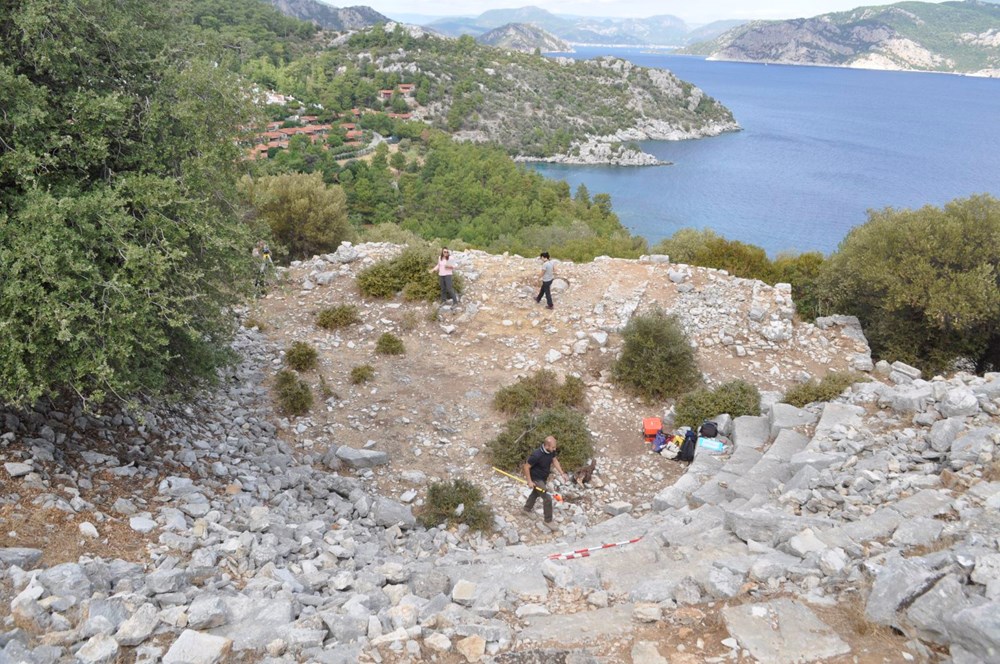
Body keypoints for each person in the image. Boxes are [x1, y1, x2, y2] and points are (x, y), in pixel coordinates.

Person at [522, 435, 568, 528]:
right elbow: (526, 467)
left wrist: (562, 473)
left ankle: (526, 509)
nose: (554, 449)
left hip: (543, 478)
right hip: (536, 478)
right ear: (547, 446)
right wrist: (530, 481)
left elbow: (554, 460)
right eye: (553, 447)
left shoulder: (551, 451)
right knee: (547, 498)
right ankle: (548, 521)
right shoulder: (536, 455)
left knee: (536, 493)